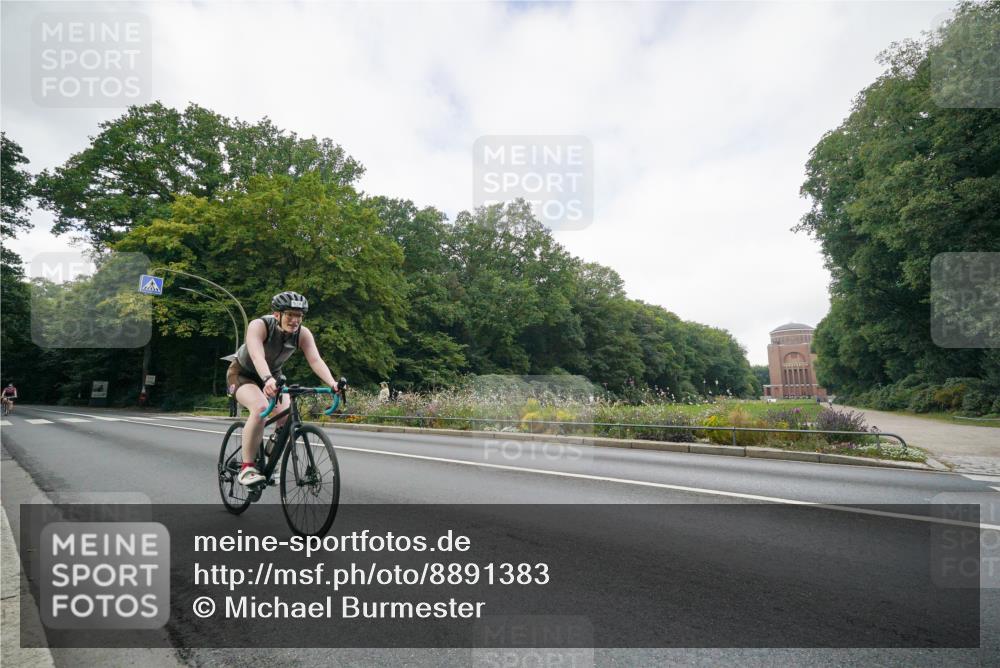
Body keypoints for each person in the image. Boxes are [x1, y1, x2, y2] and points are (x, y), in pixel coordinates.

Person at [226, 291, 339, 486]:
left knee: (287, 416)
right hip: (243, 373)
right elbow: (256, 356)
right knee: (261, 409)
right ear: (277, 314)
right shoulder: (259, 326)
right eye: (290, 315)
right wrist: (267, 378)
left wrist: (332, 383)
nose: (295, 320)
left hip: (273, 376)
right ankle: (247, 467)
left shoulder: (302, 334)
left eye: (299, 316)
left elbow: (315, 360)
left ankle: (271, 454)